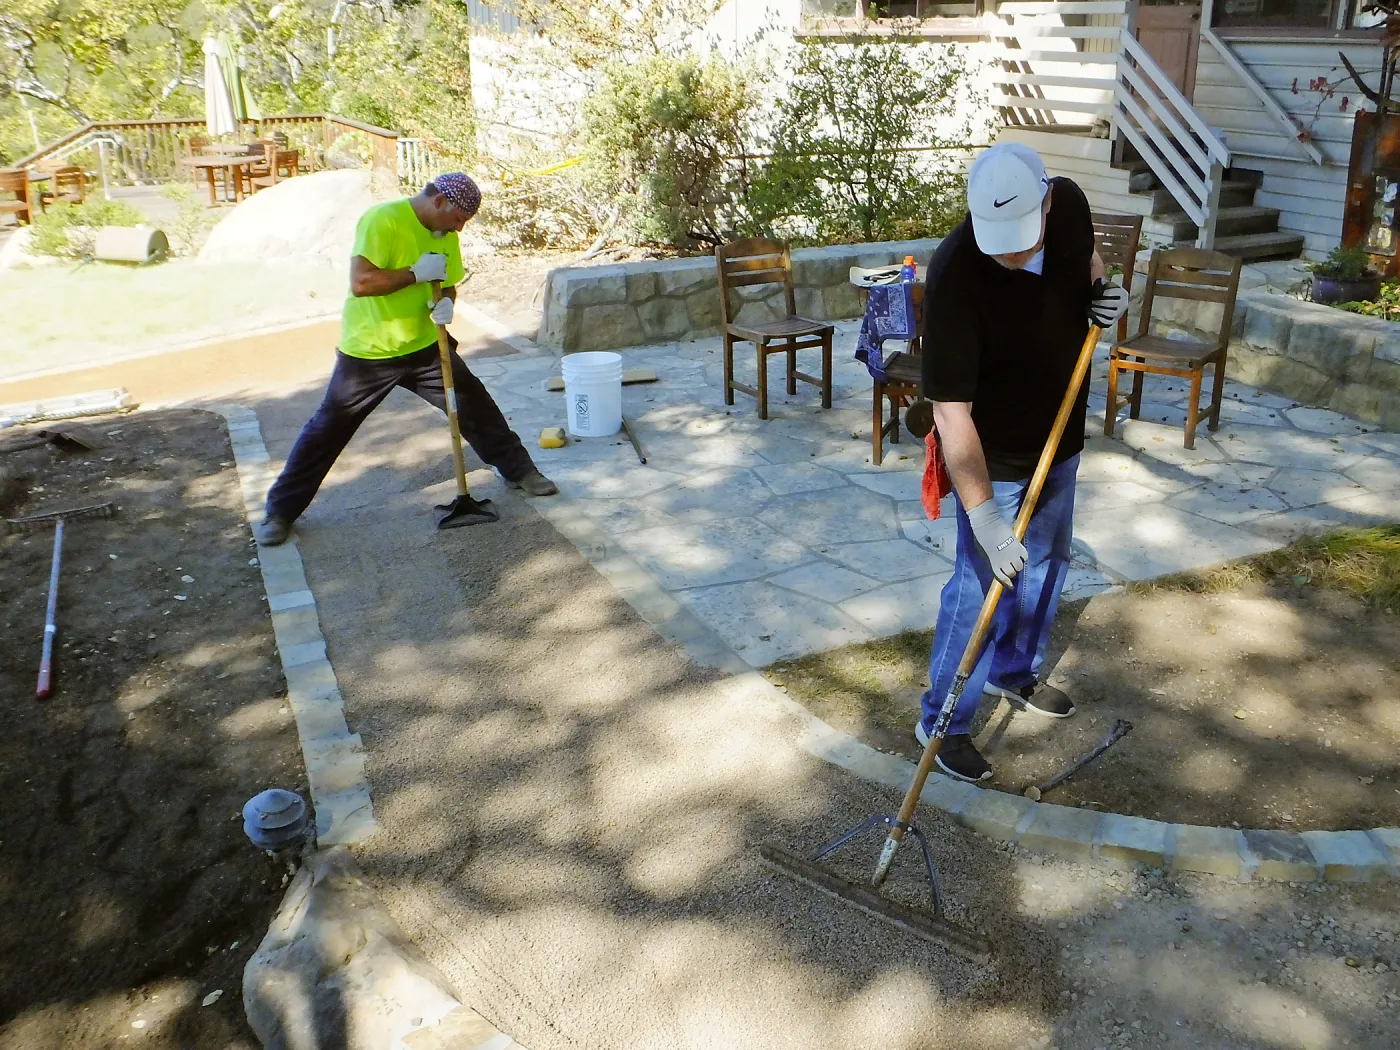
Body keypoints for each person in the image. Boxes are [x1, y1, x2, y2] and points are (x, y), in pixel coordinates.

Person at [916, 143, 1128, 782]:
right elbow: (952, 413)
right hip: (995, 452)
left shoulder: (1069, 206)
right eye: (997, 240)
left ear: (1045, 200)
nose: (1009, 253)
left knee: (1048, 563)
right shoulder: (955, 274)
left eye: (1019, 238)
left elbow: (1090, 261)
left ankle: (1015, 671)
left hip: (1058, 436)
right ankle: (943, 721)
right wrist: (982, 516)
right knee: (980, 585)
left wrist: (1104, 295)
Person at [254, 173, 556, 546]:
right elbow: (361, 283)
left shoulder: (446, 235)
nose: (460, 228)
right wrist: (415, 274)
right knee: (326, 430)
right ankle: (280, 511)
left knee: (474, 406)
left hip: (425, 347)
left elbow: (447, 283)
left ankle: (521, 471)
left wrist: (445, 303)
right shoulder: (383, 220)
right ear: (439, 202)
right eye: (458, 218)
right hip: (369, 352)